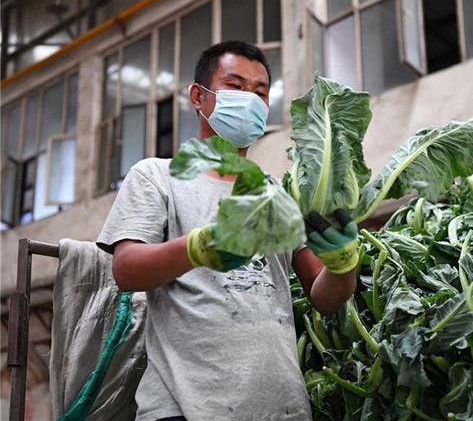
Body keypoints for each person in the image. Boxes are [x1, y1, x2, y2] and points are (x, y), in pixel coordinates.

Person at [96, 40, 358, 421]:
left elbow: (324, 297)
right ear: (198, 97)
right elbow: (126, 270)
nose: (250, 99)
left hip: (282, 409)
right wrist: (198, 248)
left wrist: (343, 265)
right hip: (184, 409)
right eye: (235, 86)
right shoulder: (157, 177)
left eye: (260, 92)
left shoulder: (280, 195)